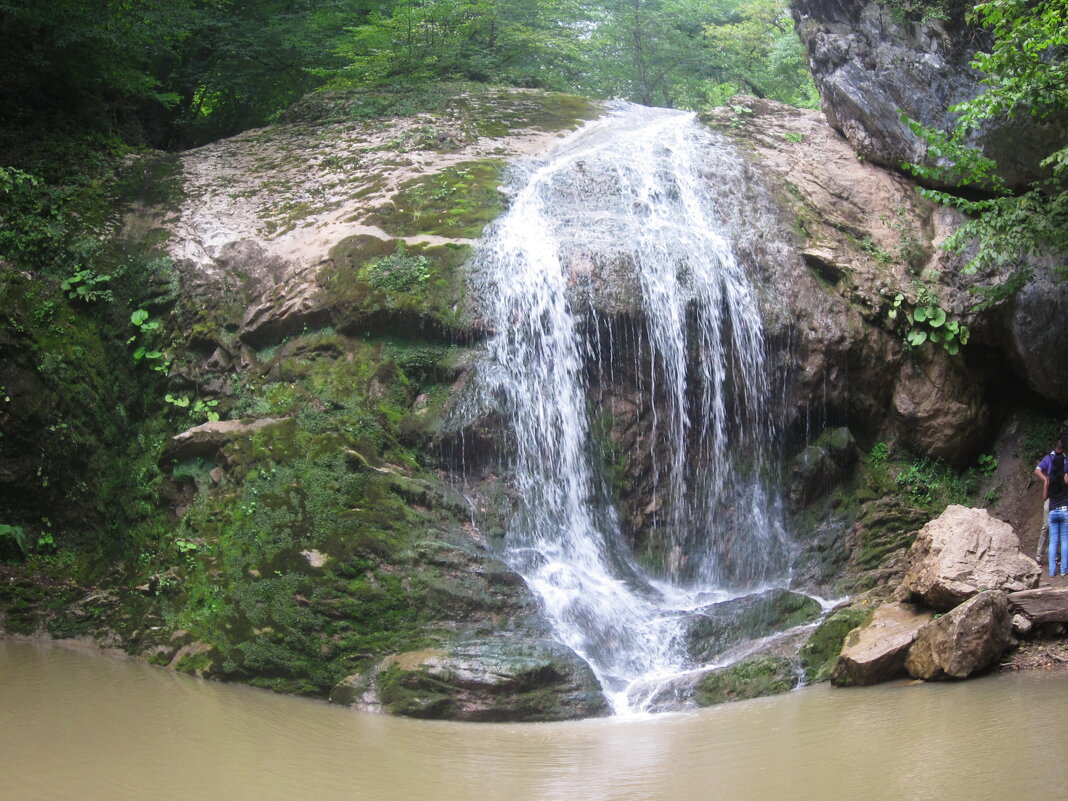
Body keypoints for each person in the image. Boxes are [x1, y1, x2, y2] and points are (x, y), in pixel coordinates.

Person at [1035, 437, 1068, 577]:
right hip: (1060, 504)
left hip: (1054, 503)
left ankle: (1053, 568)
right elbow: (1037, 470)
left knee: (1054, 537)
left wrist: (1047, 482)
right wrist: (1046, 479)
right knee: (1054, 531)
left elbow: (1044, 496)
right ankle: (1041, 555)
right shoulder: (1051, 459)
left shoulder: (1063, 460)